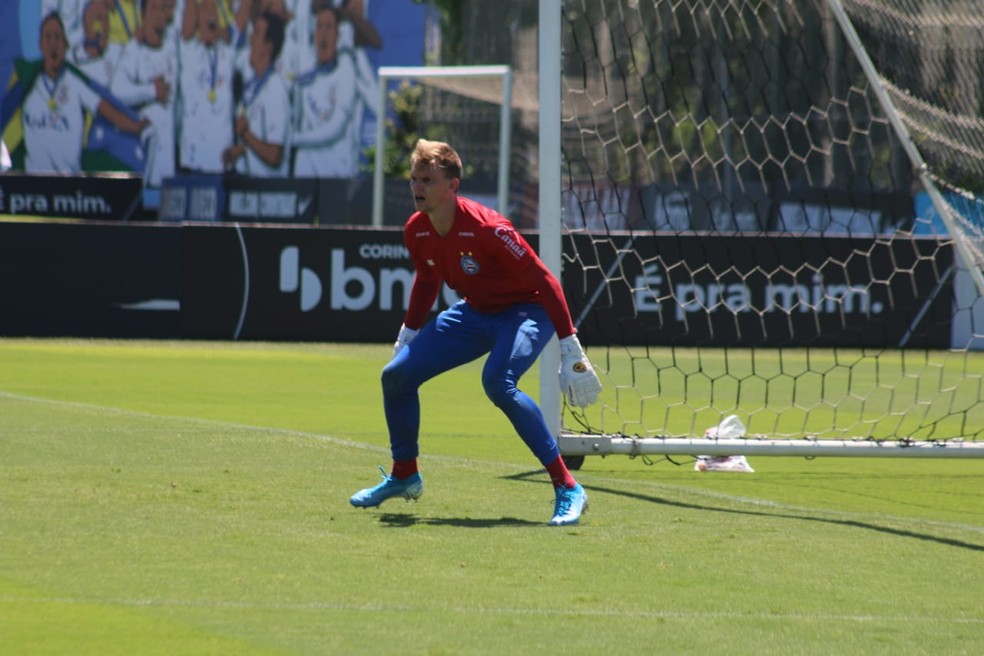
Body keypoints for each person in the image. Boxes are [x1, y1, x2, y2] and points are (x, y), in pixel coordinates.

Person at [349, 139, 603, 526]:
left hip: (526, 311)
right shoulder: (417, 230)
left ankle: (568, 486)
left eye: (427, 180)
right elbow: (427, 281)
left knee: (498, 382)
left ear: (452, 186)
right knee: (396, 375)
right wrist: (407, 336)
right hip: (475, 312)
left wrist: (571, 349)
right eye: (414, 178)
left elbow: (546, 281)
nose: (417, 187)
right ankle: (404, 475)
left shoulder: (489, 228)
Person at [22, 11, 148, 173]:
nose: (53, 43)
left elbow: (108, 111)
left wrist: (135, 126)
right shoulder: (26, 85)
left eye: (57, 37)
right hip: (31, 182)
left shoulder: (75, 84)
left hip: (69, 181)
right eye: (48, 37)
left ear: (65, 45)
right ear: (40, 45)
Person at [109, 0, 177, 187]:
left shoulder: (174, 47)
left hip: (171, 166)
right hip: (144, 162)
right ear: (143, 15)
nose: (158, 14)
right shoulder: (134, 51)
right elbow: (116, 91)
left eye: (162, 8)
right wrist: (152, 91)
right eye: (153, 8)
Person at [176, 0, 249, 173]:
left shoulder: (227, 51)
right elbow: (188, 24)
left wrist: (224, 32)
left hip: (221, 160)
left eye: (213, 9)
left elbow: (243, 13)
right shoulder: (189, 50)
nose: (210, 14)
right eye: (204, 8)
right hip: (192, 161)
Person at [290, 5, 357, 178]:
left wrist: (293, 139)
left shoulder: (346, 70)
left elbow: (334, 127)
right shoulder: (306, 64)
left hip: (336, 171)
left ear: (338, 34)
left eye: (329, 27)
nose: (324, 33)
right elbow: (302, 16)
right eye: (320, 26)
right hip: (305, 170)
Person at [222, 10, 290, 177]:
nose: (251, 38)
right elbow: (259, 141)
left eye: (257, 33)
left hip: (269, 189)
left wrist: (245, 134)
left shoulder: (276, 89)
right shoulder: (252, 88)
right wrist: (238, 151)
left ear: (268, 46)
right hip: (247, 185)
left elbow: (274, 156)